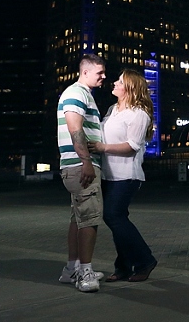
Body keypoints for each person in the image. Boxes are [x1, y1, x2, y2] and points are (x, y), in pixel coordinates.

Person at [88, 69, 158, 282]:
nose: (114, 83)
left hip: (127, 176)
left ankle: (145, 260)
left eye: (120, 81)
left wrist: (101, 147)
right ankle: (124, 267)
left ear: (131, 88)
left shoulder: (139, 114)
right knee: (118, 219)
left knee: (113, 216)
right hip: (109, 175)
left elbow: (131, 146)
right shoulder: (112, 110)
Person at [57, 54, 107, 292]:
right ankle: (85, 272)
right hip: (80, 165)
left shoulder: (82, 94)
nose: (104, 77)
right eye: (100, 72)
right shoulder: (76, 93)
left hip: (77, 164)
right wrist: (86, 161)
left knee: (78, 218)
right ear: (85, 72)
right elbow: (75, 128)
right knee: (89, 218)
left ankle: (72, 269)